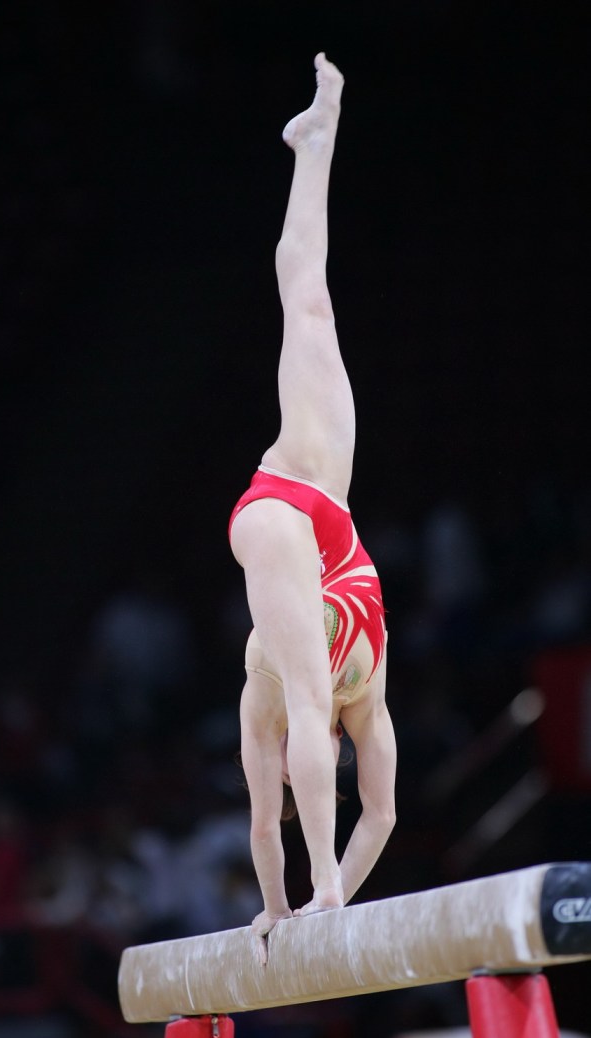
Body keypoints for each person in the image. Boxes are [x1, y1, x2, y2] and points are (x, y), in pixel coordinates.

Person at [228, 53, 397, 963]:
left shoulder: (263, 714)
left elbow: (265, 826)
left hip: (280, 509)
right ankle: (317, 139)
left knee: (299, 697)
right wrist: (335, 902)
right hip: (319, 497)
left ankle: (319, 881)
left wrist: (283, 910)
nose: (319, 762)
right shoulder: (367, 697)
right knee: (311, 301)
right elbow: (384, 812)